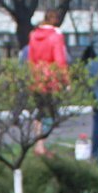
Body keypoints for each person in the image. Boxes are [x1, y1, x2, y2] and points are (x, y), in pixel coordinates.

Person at [27, 10, 70, 156]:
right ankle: (41, 146)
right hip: (50, 79)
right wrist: (66, 80)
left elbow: (31, 58)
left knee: (40, 111)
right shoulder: (55, 36)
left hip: (36, 78)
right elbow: (60, 60)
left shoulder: (33, 35)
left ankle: (38, 143)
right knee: (50, 113)